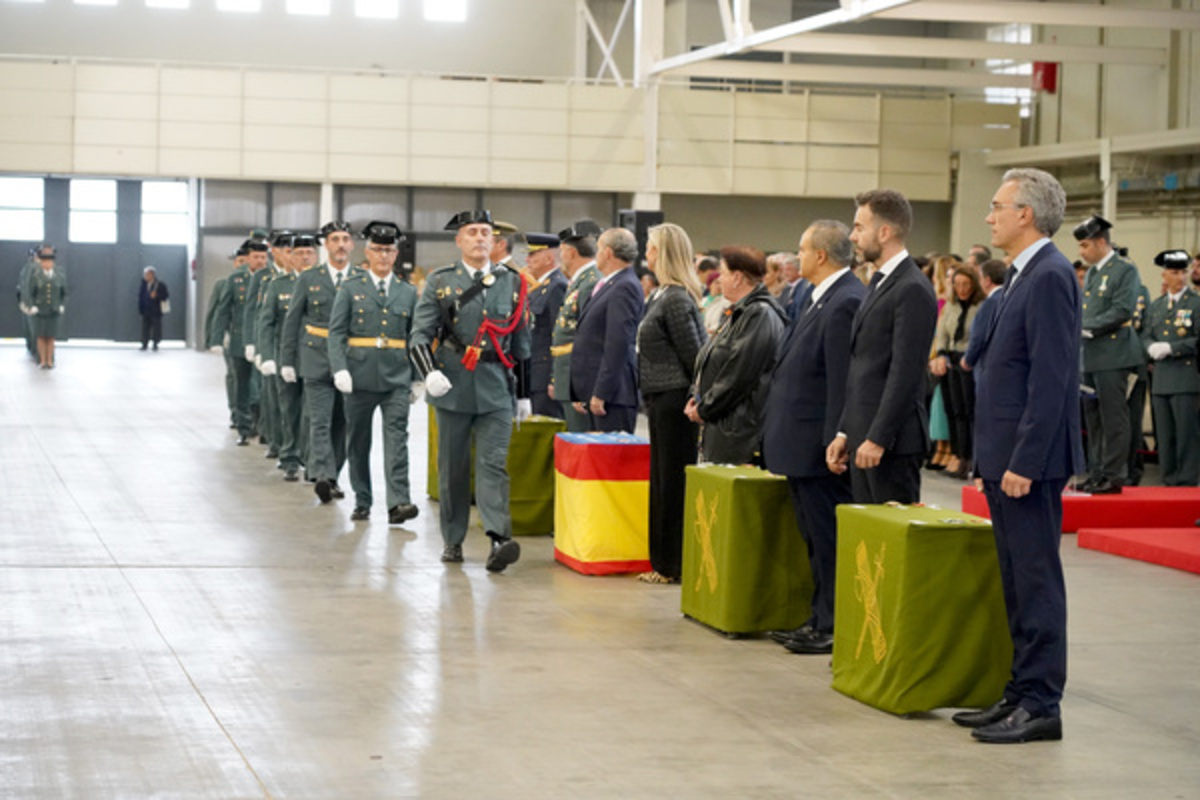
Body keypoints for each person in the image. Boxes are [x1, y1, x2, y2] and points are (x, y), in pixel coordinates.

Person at [952, 167, 1082, 744]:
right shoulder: (1020, 277)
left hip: (1028, 463)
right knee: (1013, 580)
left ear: (1025, 213)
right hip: (1003, 459)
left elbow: (1052, 380)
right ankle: (1019, 689)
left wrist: (1025, 462)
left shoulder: (1050, 276)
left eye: (998, 206)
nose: (990, 216)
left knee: (1036, 581)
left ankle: (1041, 703)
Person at [762, 220, 865, 656]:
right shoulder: (817, 297)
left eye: (802, 250)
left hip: (817, 446)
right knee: (813, 538)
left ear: (821, 255)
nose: (797, 257)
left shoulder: (844, 301)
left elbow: (842, 380)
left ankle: (831, 623)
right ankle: (819, 616)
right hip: (798, 442)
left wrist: (836, 437)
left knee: (827, 539)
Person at [410, 209, 531, 571]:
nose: (481, 238)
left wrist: (524, 393)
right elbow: (419, 335)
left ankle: (498, 538)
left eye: (486, 232)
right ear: (458, 240)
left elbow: (521, 342)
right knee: (453, 468)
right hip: (452, 385)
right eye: (473, 232)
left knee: (494, 465)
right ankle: (453, 538)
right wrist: (427, 373)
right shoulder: (440, 281)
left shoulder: (512, 281)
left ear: (495, 241)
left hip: (496, 387)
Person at [826, 189, 938, 504]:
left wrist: (878, 437)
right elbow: (862, 366)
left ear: (885, 232)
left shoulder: (911, 287)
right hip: (864, 435)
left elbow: (904, 371)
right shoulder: (880, 282)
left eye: (860, 227)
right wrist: (845, 432)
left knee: (889, 546)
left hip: (891, 442)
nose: (853, 236)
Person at [328, 221, 421, 524]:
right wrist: (339, 368)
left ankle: (399, 502)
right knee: (358, 441)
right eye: (378, 250)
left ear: (396, 254)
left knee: (397, 439)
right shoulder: (351, 289)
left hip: (396, 377)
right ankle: (363, 499)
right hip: (358, 377)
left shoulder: (407, 292)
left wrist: (418, 377)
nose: (384, 256)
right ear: (367, 251)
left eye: (389, 250)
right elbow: (336, 332)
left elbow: (416, 336)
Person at [636, 222, 706, 585]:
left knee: (673, 483)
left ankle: (672, 564)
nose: (645, 254)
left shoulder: (677, 298)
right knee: (661, 482)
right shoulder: (661, 295)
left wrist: (698, 399)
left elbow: (695, 355)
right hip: (658, 399)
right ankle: (661, 561)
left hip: (675, 400)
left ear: (663, 253)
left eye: (650, 248)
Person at [685, 245, 787, 464]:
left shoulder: (759, 315)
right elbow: (711, 360)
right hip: (722, 423)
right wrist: (695, 396)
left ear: (738, 277)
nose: (719, 280)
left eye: (723, 273)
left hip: (738, 430)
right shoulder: (737, 312)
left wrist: (705, 408)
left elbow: (738, 374)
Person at [280, 221, 357, 502]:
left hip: (350, 360)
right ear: (326, 244)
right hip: (316, 357)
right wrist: (287, 360)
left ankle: (333, 473)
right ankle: (323, 474)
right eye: (335, 238)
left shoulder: (361, 278)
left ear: (351, 245)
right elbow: (292, 322)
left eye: (345, 239)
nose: (340, 244)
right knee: (320, 420)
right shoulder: (309, 278)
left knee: (343, 422)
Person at [1075, 215, 1144, 494]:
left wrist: (1086, 326)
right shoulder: (1093, 272)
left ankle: (1114, 475)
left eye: (1085, 245)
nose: (1082, 252)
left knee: (1114, 417)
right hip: (1090, 355)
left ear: (1101, 242)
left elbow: (1123, 309)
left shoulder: (1124, 270)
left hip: (1115, 354)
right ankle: (1097, 471)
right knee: (1094, 418)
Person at [570, 227, 643, 433]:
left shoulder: (624, 286)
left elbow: (617, 343)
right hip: (597, 391)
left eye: (599, 249)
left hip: (612, 395)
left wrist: (602, 392)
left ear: (608, 252)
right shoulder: (611, 283)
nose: (596, 255)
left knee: (612, 460)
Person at [1142, 249, 1200, 486]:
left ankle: (1186, 480)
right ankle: (1168, 478)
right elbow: (1145, 333)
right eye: (1175, 272)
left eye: (1184, 272)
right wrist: (1151, 347)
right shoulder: (1157, 306)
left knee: (1187, 434)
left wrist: (1172, 348)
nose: (1181, 277)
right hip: (1162, 379)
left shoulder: (1195, 304)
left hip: (1186, 376)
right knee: (1164, 435)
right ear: (1164, 275)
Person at [257, 233, 307, 482]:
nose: (299, 257)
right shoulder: (278, 285)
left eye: (306, 253)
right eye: (294, 253)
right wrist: (266, 354)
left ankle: (309, 458)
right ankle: (289, 457)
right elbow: (265, 322)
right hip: (284, 357)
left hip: (314, 359)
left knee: (312, 413)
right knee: (289, 410)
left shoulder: (321, 284)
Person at [209, 238, 268, 445]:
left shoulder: (272, 279)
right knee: (241, 387)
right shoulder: (235, 280)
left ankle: (263, 428)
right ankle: (244, 429)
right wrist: (216, 338)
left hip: (263, 342)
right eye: (256, 257)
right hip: (239, 342)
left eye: (263, 257)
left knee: (262, 388)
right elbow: (223, 310)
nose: (260, 261)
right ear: (248, 258)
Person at [930, 265, 985, 479]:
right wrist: (941, 355)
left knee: (968, 411)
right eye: (958, 284)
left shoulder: (980, 306)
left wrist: (968, 357)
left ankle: (969, 456)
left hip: (969, 361)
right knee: (953, 411)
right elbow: (942, 332)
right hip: (950, 359)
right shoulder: (950, 306)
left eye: (966, 285)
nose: (962, 289)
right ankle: (956, 453)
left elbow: (978, 335)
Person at [548, 220, 603, 431]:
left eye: (561, 252)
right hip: (567, 373)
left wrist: (581, 386)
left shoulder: (590, 282)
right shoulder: (580, 281)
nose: (560, 258)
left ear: (570, 253)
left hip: (577, 377)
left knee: (581, 440)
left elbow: (589, 337)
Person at [524, 232, 567, 418]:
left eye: (533, 255)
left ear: (549, 258)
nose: (527, 259)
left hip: (544, 378)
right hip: (534, 375)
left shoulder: (557, 286)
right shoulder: (540, 287)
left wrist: (554, 377)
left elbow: (558, 335)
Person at [24, 244, 67, 370]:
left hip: (53, 310)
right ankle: (42, 360)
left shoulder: (59, 274)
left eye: (49, 261)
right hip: (39, 309)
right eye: (44, 261)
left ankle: (50, 360)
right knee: (40, 336)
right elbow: (29, 291)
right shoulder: (35, 274)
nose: (47, 263)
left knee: (51, 336)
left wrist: (62, 305)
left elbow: (64, 292)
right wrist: (31, 306)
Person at [962, 258, 1008, 372]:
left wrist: (968, 359)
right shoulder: (1010, 297)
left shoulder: (991, 302)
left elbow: (979, 335)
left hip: (989, 365)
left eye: (980, 278)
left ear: (987, 280)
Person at [137, 266, 170, 351]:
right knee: (145, 328)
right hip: (146, 310)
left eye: (147, 274)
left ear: (152, 274)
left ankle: (155, 343)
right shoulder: (143, 285)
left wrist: (157, 295)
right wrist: (141, 308)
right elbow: (140, 296)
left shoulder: (160, 285)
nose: (145, 276)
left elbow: (165, 296)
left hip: (156, 311)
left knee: (156, 328)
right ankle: (144, 343)